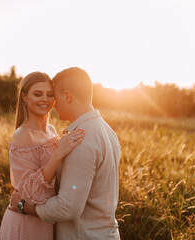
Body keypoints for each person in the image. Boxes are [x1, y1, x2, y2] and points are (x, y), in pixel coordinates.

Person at [9, 67, 121, 239]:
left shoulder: (80, 139)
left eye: (53, 95)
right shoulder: (107, 131)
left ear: (67, 96)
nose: (52, 103)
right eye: (39, 94)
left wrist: (26, 208)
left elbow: (67, 207)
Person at [0, 71, 85, 240]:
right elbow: (30, 192)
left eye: (49, 95)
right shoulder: (22, 135)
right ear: (24, 97)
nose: (45, 99)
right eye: (37, 94)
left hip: (46, 219)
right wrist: (58, 154)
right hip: (25, 221)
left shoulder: (52, 130)